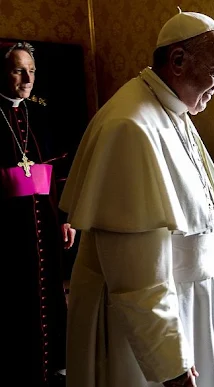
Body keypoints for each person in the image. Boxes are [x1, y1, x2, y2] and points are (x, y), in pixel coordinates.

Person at [59, 10, 214, 387]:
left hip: (188, 301)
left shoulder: (171, 109)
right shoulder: (130, 126)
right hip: (147, 328)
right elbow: (136, 278)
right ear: (177, 61)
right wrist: (171, 363)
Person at [0, 40, 76, 387]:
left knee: (49, 294)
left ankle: (53, 367)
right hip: (9, 230)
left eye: (31, 70)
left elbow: (59, 175)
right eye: (19, 69)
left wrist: (65, 218)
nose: (27, 78)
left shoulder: (40, 115)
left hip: (44, 224)